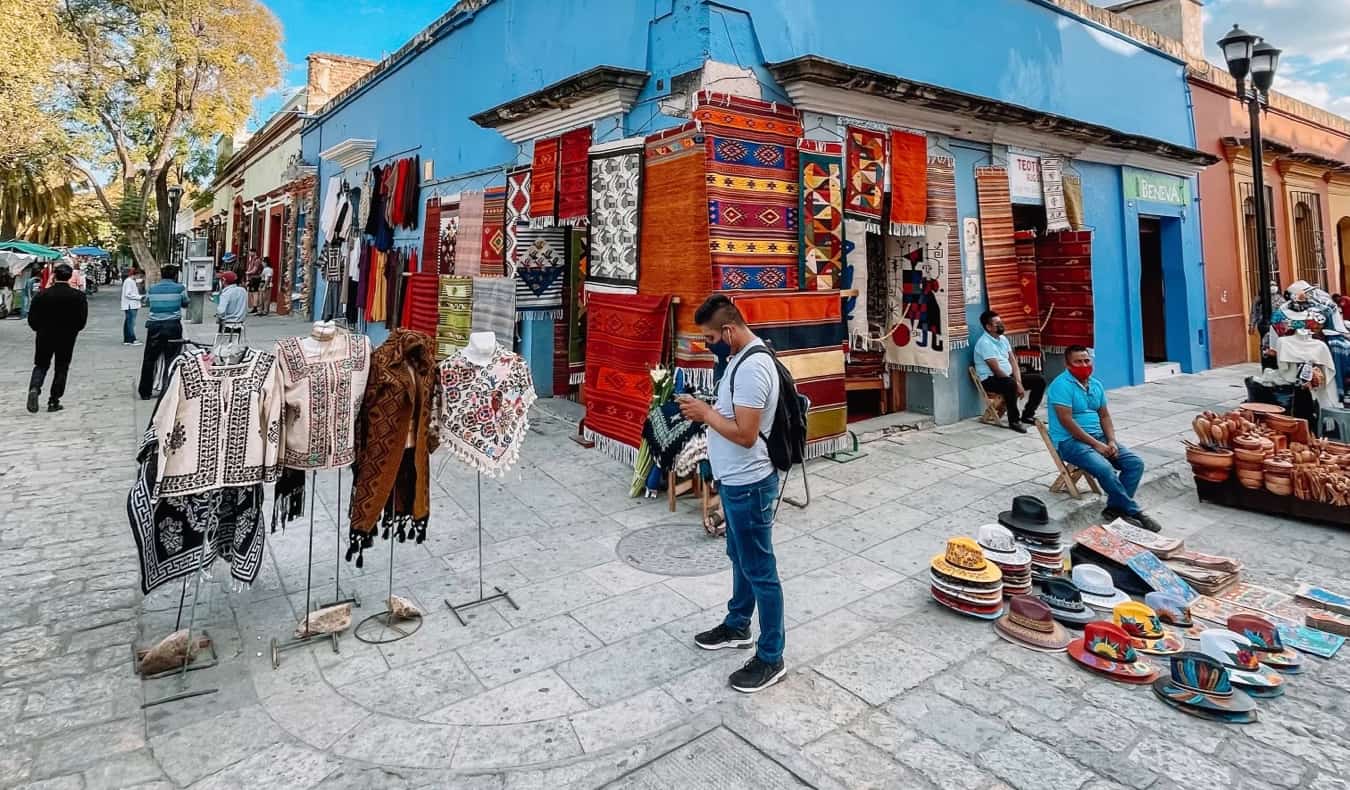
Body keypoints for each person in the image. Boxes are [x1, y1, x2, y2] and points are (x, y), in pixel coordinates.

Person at [677, 294, 786, 694]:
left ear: (728, 331)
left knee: (761, 569)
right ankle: (738, 623)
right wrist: (707, 408)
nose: (707, 345)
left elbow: (744, 434)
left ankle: (771, 656)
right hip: (736, 483)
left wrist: (705, 415)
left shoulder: (754, 368)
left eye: (709, 338)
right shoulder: (737, 362)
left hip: (751, 483)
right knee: (740, 557)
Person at [1047, 346, 1162, 532]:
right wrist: (1096, 445)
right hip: (1070, 442)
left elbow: (1105, 417)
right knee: (1104, 468)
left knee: (1134, 464)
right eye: (1078, 361)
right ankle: (1134, 511)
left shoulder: (1096, 385)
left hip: (1099, 437)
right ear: (1067, 364)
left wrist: (1111, 441)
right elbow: (1066, 421)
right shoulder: (1060, 386)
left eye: (1086, 360)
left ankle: (1115, 509)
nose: (1084, 365)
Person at [25, 263, 88, 413]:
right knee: (61, 367)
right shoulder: (78, 296)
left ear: (54, 275)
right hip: (67, 336)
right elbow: (82, 320)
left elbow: (32, 318)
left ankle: (35, 387)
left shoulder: (42, 295)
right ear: (70, 276)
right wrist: (73, 330)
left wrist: (38, 328)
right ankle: (54, 400)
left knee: (41, 364)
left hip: (44, 335)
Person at [974, 309, 1045, 434]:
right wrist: (1016, 383)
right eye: (997, 324)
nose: (1001, 326)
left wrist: (1019, 381)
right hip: (990, 379)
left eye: (1001, 322)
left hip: (1009, 377)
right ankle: (1014, 421)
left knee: (1039, 380)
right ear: (988, 327)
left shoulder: (1003, 339)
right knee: (1009, 384)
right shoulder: (984, 343)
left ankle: (1028, 415)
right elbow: (996, 370)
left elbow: (1013, 361)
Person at [138, 265, 189, 400]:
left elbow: (147, 302)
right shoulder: (180, 288)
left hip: (154, 326)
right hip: (173, 326)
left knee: (150, 359)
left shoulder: (153, 288)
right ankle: (168, 389)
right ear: (175, 276)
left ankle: (145, 391)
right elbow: (185, 303)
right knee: (172, 358)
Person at [120, 266, 144, 345]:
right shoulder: (129, 281)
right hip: (131, 305)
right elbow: (128, 294)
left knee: (128, 322)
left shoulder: (130, 281)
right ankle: (132, 339)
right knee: (131, 322)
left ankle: (127, 339)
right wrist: (139, 297)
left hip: (130, 304)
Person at [245, 248, 263, 314]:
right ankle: (253, 306)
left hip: (255, 278)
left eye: (250, 252)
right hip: (251, 278)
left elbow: (255, 270)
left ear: (254, 252)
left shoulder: (257, 260)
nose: (249, 254)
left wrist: (248, 272)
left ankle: (255, 306)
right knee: (251, 292)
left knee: (255, 292)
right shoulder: (252, 260)